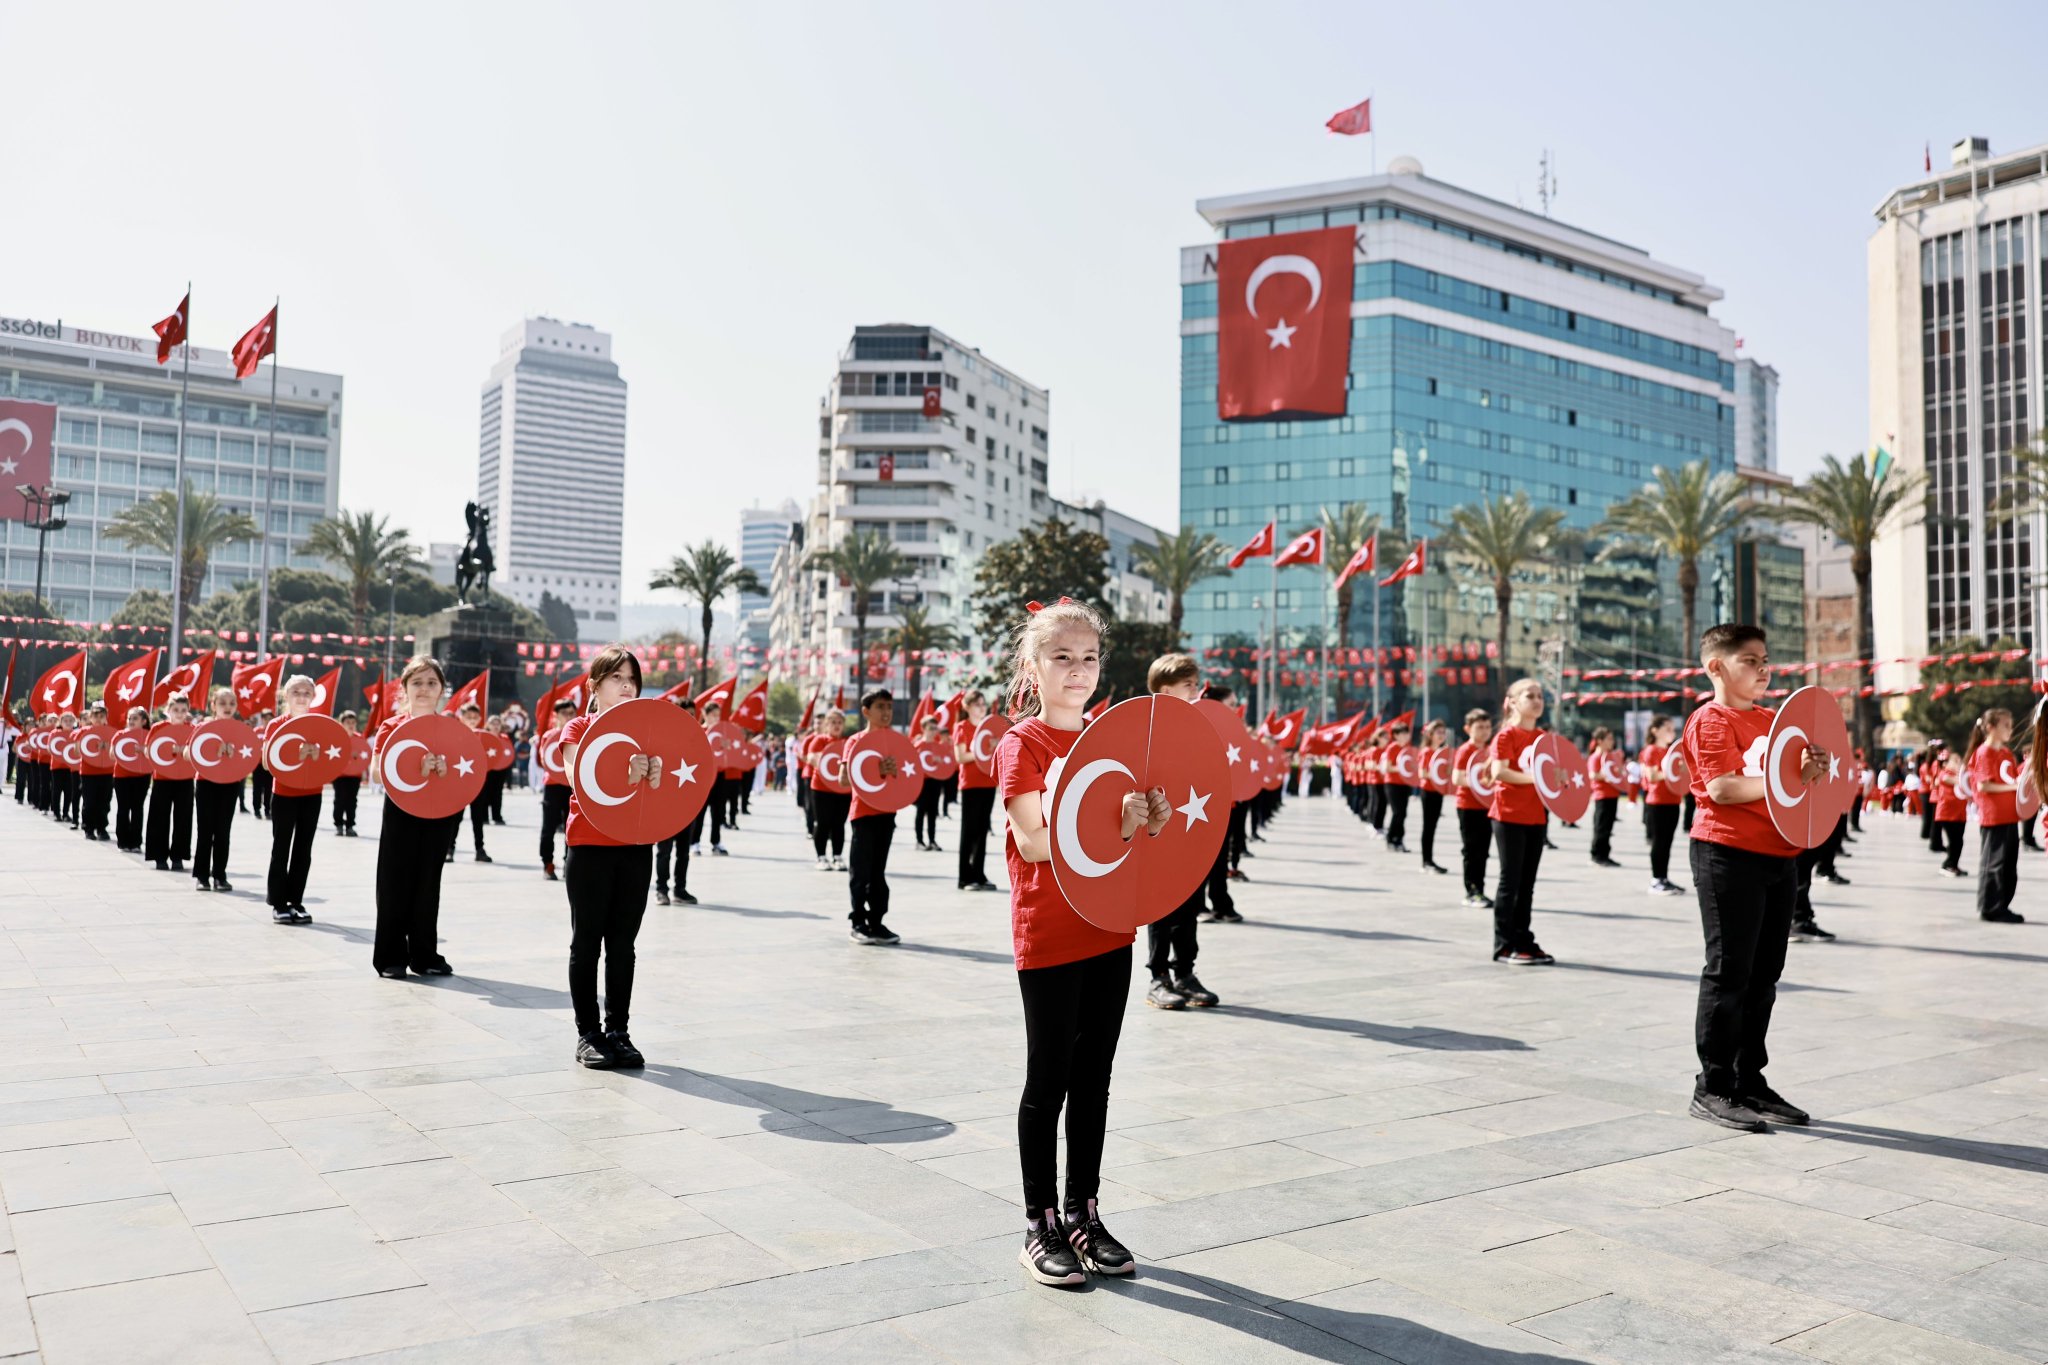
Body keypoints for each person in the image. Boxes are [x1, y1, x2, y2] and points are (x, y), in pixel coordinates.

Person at [993, 598, 1161, 1286]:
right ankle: (1039, 1224)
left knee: (1095, 1079)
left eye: (1089, 657)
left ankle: (1083, 1213)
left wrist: (1151, 816)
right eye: (1061, 656)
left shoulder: (1110, 738)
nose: (1077, 670)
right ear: (1032, 667)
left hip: (1111, 927)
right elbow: (1034, 841)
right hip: (1050, 932)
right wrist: (1114, 822)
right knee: (1050, 1079)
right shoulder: (1022, 744)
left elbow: (1137, 837)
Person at [1681, 623, 1822, 1133]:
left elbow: (1795, 787)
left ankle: (1749, 1080)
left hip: (1777, 854)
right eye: (1750, 660)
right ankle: (1713, 1086)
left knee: (1764, 976)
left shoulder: (1773, 720)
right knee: (1729, 972)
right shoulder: (1711, 720)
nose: (1763, 670)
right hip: (1726, 852)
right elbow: (1722, 788)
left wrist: (1815, 769)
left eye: (1765, 660)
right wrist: (1789, 776)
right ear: (1716, 667)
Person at [559, 645, 660, 1068]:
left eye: (632, 679)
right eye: (616, 677)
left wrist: (657, 776)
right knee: (587, 943)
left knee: (623, 945)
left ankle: (619, 1031)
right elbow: (577, 778)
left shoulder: (650, 733)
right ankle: (588, 1033)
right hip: (589, 846)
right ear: (594, 686)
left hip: (635, 847)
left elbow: (667, 796)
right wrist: (624, 772)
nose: (626, 686)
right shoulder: (578, 728)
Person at [371, 658, 464, 978]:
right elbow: (376, 772)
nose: (424, 689)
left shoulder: (452, 728)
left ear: (442, 689)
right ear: (405, 688)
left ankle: (425, 955)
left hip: (439, 811)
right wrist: (414, 769)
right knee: (394, 880)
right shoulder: (391, 726)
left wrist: (444, 770)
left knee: (428, 882)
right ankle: (390, 956)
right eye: (417, 683)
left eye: (431, 683)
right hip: (401, 810)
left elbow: (466, 773)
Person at [1143, 653, 1219, 1010]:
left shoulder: (1197, 726)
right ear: (1165, 689)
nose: (1195, 690)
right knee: (1161, 905)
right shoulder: (1146, 727)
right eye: (1188, 684)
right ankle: (1159, 977)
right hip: (1159, 831)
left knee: (1189, 905)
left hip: (1192, 826)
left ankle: (1185, 972)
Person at [1487, 678, 1554, 966]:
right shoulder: (1505, 736)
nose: (1537, 701)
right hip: (1508, 814)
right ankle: (1504, 945)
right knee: (1510, 882)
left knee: (1527, 884)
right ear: (1513, 702)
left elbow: (1554, 774)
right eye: (1530, 696)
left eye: (1540, 696)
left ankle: (1524, 939)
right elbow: (1499, 772)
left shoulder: (1544, 738)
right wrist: (1537, 778)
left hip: (1536, 815)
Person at [261, 676, 326, 925]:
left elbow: (332, 761)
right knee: (281, 848)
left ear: (313, 697)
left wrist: (317, 755)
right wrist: (293, 754)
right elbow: (266, 762)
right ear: (286, 696)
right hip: (284, 794)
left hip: (312, 793)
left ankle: (296, 901)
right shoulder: (276, 724)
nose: (301, 697)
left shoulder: (320, 724)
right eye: (296, 692)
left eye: (306, 692)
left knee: (303, 850)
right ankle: (278, 903)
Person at [845, 689, 903, 946]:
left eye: (889, 706)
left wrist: (895, 772)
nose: (886, 712)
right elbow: (843, 779)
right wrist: (874, 769)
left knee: (878, 872)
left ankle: (877, 922)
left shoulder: (896, 742)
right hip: (862, 814)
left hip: (887, 814)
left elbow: (908, 780)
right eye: (880, 706)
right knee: (861, 872)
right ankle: (858, 922)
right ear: (866, 711)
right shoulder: (855, 741)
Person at [1965, 707, 2023, 924]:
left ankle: (2003, 905)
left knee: (2008, 865)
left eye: (2011, 725)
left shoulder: (2006, 753)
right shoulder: (1984, 752)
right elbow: (1984, 785)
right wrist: (2015, 786)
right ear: (1990, 727)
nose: (2010, 729)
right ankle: (1990, 908)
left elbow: (2016, 781)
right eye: (2005, 725)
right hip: (1994, 817)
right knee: (1993, 865)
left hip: (2010, 816)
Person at [1199, 682, 1244, 922]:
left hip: (1224, 804)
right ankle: (1199, 905)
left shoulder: (1230, 732)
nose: (1236, 709)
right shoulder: (1200, 729)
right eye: (1232, 704)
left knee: (1219, 857)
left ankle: (1220, 901)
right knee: (1201, 858)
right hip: (1199, 805)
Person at [192, 686, 242, 893]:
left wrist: (233, 752)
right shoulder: (202, 727)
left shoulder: (241, 730)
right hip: (206, 782)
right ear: (213, 705)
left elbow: (247, 758)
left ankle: (220, 875)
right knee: (205, 831)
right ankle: (202, 876)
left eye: (231, 703)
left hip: (230, 784)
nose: (227, 707)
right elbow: (189, 753)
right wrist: (212, 750)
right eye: (222, 703)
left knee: (223, 831)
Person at [653, 693, 701, 907]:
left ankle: (680, 889)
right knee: (664, 851)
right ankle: (661, 890)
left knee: (684, 851)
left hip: (688, 805)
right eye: (685, 714)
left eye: (692, 715)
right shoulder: (663, 740)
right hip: (664, 805)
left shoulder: (698, 742)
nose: (690, 718)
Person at [145, 691, 197, 873]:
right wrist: (169, 750)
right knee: (159, 818)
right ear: (168, 710)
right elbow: (149, 750)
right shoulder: (158, 728)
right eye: (176, 710)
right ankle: (159, 856)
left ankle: (178, 856)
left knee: (183, 818)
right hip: (162, 778)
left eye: (183, 710)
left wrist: (184, 751)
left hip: (185, 779)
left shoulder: (193, 729)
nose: (179, 714)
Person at [953, 690, 1000, 891]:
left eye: (983, 704)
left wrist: (994, 747)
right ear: (967, 707)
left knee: (982, 831)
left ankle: (979, 874)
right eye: (977, 704)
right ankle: (965, 877)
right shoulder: (962, 727)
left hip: (988, 783)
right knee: (969, 832)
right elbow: (960, 757)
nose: (982, 708)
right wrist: (982, 750)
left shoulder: (989, 726)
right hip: (970, 784)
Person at [1638, 714, 1685, 895]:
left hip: (1673, 801)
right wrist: (1673, 772)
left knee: (1667, 843)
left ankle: (1664, 878)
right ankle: (1656, 880)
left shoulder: (1670, 752)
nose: (1671, 732)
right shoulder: (1651, 750)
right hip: (1657, 802)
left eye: (1673, 729)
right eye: (1667, 729)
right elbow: (1651, 776)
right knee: (1659, 842)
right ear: (1655, 731)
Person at [448, 700, 493, 863]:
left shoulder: (484, 737)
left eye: (475, 717)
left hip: (478, 783)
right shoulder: (456, 735)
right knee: (455, 818)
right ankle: (449, 848)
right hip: (459, 783)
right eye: (468, 716)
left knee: (478, 818)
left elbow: (493, 756)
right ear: (461, 717)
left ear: (480, 719)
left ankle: (480, 849)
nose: (472, 720)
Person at [806, 708, 851, 870]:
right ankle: (821, 857)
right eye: (833, 722)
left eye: (839, 722)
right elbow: (811, 757)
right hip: (821, 788)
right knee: (823, 823)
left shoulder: (848, 742)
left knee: (839, 823)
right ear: (826, 724)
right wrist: (824, 761)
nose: (836, 725)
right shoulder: (820, 740)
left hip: (843, 789)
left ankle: (837, 856)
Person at [537, 696, 576, 881]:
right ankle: (547, 863)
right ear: (556, 715)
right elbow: (544, 759)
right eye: (564, 713)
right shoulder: (548, 736)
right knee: (549, 828)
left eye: (571, 713)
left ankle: (569, 863)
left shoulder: (579, 734)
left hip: (572, 787)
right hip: (552, 786)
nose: (568, 716)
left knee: (571, 828)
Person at [112, 704, 152, 851]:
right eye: (129, 718)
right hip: (122, 776)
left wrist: (143, 750)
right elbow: (112, 754)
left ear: (144, 721)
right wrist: (123, 749)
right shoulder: (120, 735)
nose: (131, 721)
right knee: (123, 808)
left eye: (135, 718)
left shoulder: (150, 735)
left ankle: (135, 842)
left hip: (142, 776)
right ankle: (122, 841)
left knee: (137, 808)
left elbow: (155, 752)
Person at [1416, 718, 1451, 876]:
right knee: (1428, 826)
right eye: (1438, 732)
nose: (1441, 735)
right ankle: (1426, 861)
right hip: (1428, 791)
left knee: (1433, 826)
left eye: (1443, 732)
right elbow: (1422, 773)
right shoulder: (1426, 752)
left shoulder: (1443, 753)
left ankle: (1429, 860)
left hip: (1439, 791)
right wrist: (1437, 774)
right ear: (1430, 734)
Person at [1585, 726, 1623, 868]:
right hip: (1602, 796)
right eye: (1609, 739)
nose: (1612, 741)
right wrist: (1607, 775)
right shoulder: (1595, 757)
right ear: (1600, 741)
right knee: (1601, 827)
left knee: (1608, 828)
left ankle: (1605, 855)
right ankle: (1597, 855)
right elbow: (1592, 775)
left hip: (1613, 794)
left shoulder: (1610, 756)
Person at [77, 701, 115, 843]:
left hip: (107, 771)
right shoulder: (83, 732)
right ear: (90, 717)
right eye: (95, 716)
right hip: (88, 772)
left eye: (101, 716)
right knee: (89, 801)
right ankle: (88, 828)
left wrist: (107, 746)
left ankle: (101, 828)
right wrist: (92, 746)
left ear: (106, 717)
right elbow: (77, 750)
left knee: (104, 801)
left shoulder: (111, 732)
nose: (98, 719)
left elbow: (115, 751)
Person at [1930, 750, 1968, 878]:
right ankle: (1947, 865)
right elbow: (1954, 781)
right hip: (1947, 814)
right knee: (1954, 841)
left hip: (1960, 815)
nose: (1958, 763)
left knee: (1959, 842)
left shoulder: (1961, 774)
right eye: (1955, 761)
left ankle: (1954, 865)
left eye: (1959, 761)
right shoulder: (1944, 773)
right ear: (1946, 763)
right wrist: (1964, 776)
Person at [912, 716, 947, 852]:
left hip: (935, 782)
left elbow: (945, 765)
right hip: (922, 782)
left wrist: (940, 761)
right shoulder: (918, 745)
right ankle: (919, 841)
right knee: (921, 811)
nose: (933, 731)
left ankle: (932, 840)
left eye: (935, 728)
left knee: (933, 812)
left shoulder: (939, 746)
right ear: (923, 729)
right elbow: (911, 765)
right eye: (930, 728)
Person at [1380, 721, 1414, 853]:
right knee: (1397, 812)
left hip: (1405, 784)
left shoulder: (1408, 748)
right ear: (1395, 735)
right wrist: (1402, 768)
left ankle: (1399, 839)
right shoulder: (1392, 748)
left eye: (1407, 733)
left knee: (1403, 813)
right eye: (1402, 733)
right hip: (1392, 784)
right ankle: (1391, 838)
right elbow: (1388, 767)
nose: (1406, 736)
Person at [331, 709, 365, 837]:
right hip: (340, 775)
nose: (351, 725)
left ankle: (350, 825)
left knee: (352, 801)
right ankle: (339, 824)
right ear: (342, 723)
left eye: (353, 722)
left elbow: (364, 756)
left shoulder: (360, 738)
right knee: (339, 800)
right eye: (348, 722)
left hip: (354, 776)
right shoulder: (337, 738)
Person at [484, 715, 509, 824]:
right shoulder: (484, 736)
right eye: (493, 723)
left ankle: (497, 816)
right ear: (488, 725)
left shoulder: (505, 738)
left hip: (500, 769)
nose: (495, 726)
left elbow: (508, 752)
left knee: (497, 793)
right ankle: (484, 817)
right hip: (486, 769)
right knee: (485, 792)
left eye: (497, 723)